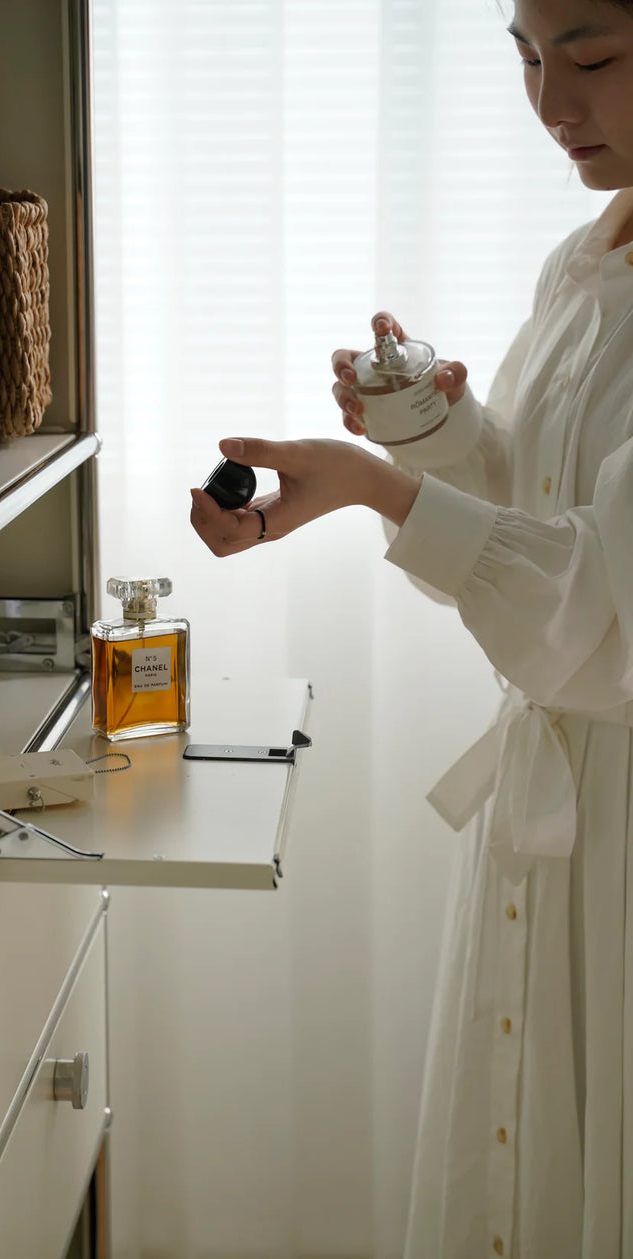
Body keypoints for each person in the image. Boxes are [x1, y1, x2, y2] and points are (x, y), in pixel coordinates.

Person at [190, 1, 633, 1255]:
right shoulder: (583, 263)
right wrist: (424, 438)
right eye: (527, 57)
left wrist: (383, 486)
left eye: (592, 57)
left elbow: (602, 602)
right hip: (556, 796)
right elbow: (532, 531)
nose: (553, 103)